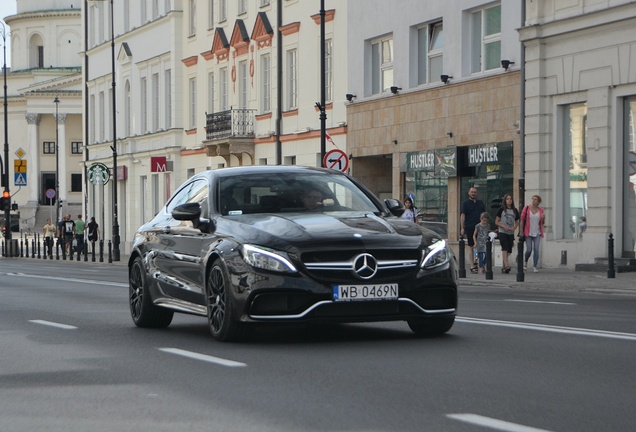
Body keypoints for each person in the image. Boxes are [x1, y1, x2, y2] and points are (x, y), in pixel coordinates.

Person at [460, 187, 486, 274]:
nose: (473, 193)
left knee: (482, 247)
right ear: (468, 193)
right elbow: (462, 215)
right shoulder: (465, 203)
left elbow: (484, 216)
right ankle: (472, 265)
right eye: (472, 192)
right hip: (470, 227)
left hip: (480, 228)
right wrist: (462, 228)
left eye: (475, 192)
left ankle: (481, 265)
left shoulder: (480, 203)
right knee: (471, 246)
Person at [520, 195, 545, 273]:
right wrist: (521, 231)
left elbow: (542, 223)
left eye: (535, 199)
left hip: (537, 232)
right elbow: (522, 220)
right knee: (529, 249)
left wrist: (543, 218)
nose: (533, 200)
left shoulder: (541, 210)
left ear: (538, 202)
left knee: (536, 249)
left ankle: (535, 265)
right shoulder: (527, 208)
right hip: (528, 232)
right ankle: (525, 262)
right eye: (533, 199)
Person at [495, 194, 520, 274]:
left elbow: (517, 221)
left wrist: (514, 227)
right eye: (507, 199)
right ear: (505, 201)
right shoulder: (501, 209)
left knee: (509, 249)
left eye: (510, 199)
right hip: (503, 232)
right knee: (504, 247)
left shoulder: (515, 210)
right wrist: (503, 226)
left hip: (510, 232)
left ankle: (504, 266)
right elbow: (496, 221)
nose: (509, 200)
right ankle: (506, 265)